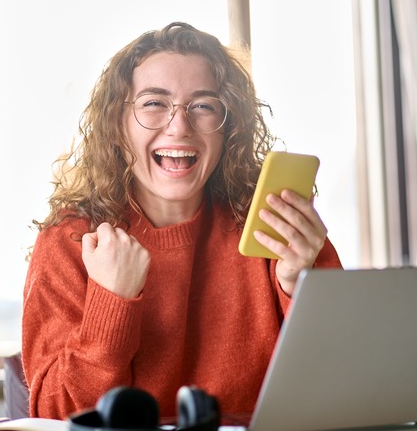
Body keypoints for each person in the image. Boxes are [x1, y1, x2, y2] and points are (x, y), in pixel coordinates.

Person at [21, 22, 342, 421]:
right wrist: (111, 301)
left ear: (229, 128)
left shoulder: (277, 227)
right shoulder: (70, 241)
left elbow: (344, 387)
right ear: (117, 126)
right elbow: (54, 417)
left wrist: (300, 287)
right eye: (154, 103)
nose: (179, 126)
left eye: (203, 105)